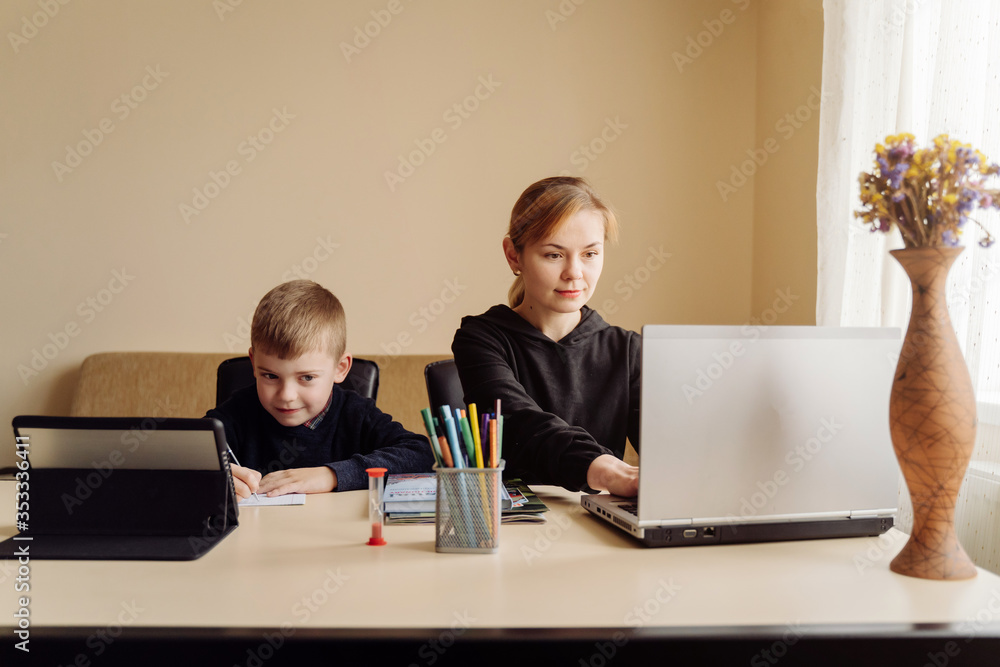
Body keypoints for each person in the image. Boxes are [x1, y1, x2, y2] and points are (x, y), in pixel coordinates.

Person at [452, 176, 640, 496]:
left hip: (600, 526)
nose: (574, 273)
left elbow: (669, 446)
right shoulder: (480, 339)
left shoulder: (628, 350)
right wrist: (604, 469)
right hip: (510, 526)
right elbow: (519, 424)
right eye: (554, 255)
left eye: (590, 254)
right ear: (514, 255)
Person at [207, 280, 435, 498]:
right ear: (254, 363)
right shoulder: (237, 414)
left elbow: (421, 455)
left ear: (340, 368)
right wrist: (210, 477)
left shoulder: (355, 415)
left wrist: (332, 475)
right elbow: (185, 454)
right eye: (270, 376)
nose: (286, 395)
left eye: (306, 377)